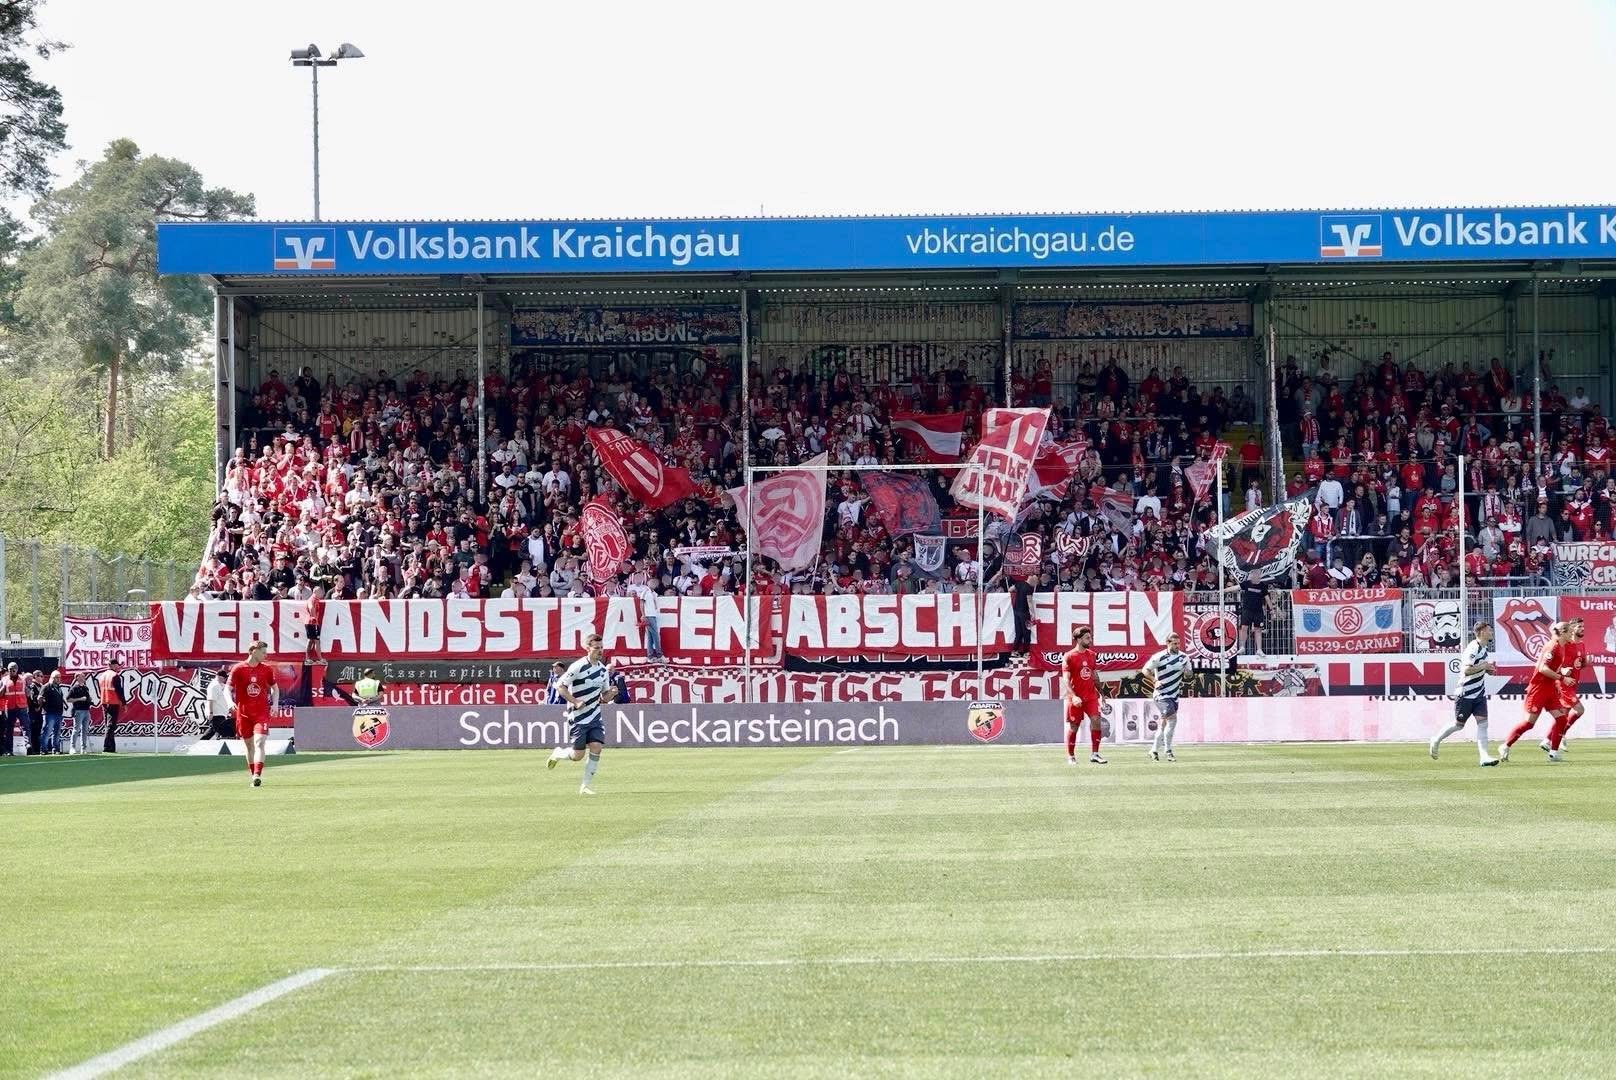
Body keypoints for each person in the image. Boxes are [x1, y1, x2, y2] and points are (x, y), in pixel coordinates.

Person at [546, 633, 610, 794]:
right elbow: (560, 686)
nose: (600, 651)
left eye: (602, 647)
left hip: (595, 716)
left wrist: (611, 694)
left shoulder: (603, 671)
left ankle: (585, 786)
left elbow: (604, 697)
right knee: (577, 756)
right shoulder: (578, 666)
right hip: (577, 717)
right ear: (588, 648)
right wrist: (575, 702)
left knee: (597, 747)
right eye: (596, 648)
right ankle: (558, 753)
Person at [1428, 622, 1500, 766]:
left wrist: (1488, 670)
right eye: (1489, 630)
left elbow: (1478, 668)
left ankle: (1484, 757)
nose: (1491, 632)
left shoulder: (1484, 649)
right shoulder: (1473, 648)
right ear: (1482, 632)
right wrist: (1483, 666)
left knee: (1483, 724)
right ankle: (1436, 739)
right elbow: (1466, 670)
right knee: (1458, 725)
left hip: (1479, 693)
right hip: (1466, 693)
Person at [1498, 622, 1571, 762]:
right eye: (1570, 632)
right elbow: (1542, 668)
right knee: (1529, 723)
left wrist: (1562, 671)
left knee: (1562, 719)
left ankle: (1554, 753)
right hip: (1539, 688)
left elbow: (1542, 665)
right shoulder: (1552, 646)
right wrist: (1562, 678)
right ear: (1562, 632)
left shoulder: (1560, 646)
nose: (1571, 634)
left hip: (1550, 688)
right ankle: (1505, 746)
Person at [228, 640, 278, 787]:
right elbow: (227, 689)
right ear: (253, 651)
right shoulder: (238, 669)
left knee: (260, 742)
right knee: (249, 746)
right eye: (263, 652)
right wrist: (229, 702)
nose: (265, 655)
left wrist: (275, 704)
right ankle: (253, 775)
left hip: (261, 713)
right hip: (243, 714)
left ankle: (257, 774)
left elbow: (275, 688)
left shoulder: (267, 669)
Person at [1062, 626, 1106, 766]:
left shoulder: (1092, 655)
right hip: (1076, 698)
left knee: (1096, 720)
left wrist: (1102, 693)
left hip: (1091, 696)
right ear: (1079, 639)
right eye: (1087, 638)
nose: (1090, 640)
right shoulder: (1069, 656)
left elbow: (1094, 675)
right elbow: (1066, 679)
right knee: (1074, 726)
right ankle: (1071, 756)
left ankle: (1095, 754)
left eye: (1090, 637)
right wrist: (1074, 696)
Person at [1542, 616, 1585, 756]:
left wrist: (1584, 663)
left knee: (1563, 716)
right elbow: (1555, 663)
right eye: (1579, 626)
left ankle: (1548, 740)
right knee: (1580, 710)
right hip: (1563, 685)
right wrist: (1562, 671)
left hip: (1573, 684)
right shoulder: (1565, 645)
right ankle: (1559, 737)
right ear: (1571, 629)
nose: (1582, 629)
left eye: (1583, 626)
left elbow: (1580, 663)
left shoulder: (1582, 645)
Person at [1143, 632, 1188, 762]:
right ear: (1167, 643)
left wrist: (1189, 673)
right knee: (1172, 719)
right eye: (1174, 644)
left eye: (1178, 643)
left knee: (1163, 724)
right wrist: (1155, 681)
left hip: (1174, 695)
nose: (1177, 646)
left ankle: (1153, 751)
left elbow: (1189, 673)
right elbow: (1145, 670)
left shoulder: (1184, 657)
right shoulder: (1159, 657)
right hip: (1161, 694)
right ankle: (1168, 751)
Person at [97, 664, 123, 753]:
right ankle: (107, 746)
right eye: (118, 666)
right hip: (113, 701)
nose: (119, 668)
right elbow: (119, 690)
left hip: (104, 701)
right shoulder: (115, 675)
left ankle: (111, 747)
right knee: (111, 725)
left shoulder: (102, 676)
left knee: (108, 725)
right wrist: (123, 702)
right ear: (114, 666)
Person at [204, 666, 234, 740]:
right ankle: (201, 743)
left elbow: (227, 687)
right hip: (216, 714)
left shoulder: (219, 685)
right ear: (220, 677)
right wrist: (211, 712)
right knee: (213, 730)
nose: (225, 680)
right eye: (225, 678)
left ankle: (205, 743)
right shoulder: (214, 686)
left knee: (216, 731)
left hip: (220, 713)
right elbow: (210, 700)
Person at [39, 670, 64, 755]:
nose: (58, 679)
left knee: (57, 732)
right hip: (49, 713)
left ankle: (56, 749)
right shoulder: (46, 686)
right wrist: (43, 706)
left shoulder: (59, 687)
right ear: (52, 678)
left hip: (58, 713)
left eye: (59, 677)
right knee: (47, 731)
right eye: (56, 677)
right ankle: (43, 749)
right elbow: (40, 698)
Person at [66, 674, 92, 754]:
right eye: (82, 676)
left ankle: (83, 748)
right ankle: (72, 747)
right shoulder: (74, 688)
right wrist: (80, 699)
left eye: (84, 676)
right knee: (76, 729)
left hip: (86, 710)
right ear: (77, 678)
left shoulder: (85, 688)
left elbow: (87, 698)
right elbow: (68, 699)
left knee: (85, 730)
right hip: (78, 710)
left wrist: (89, 700)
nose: (84, 678)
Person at [302, 585, 326, 666]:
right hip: (312, 622)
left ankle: (307, 659)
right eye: (320, 592)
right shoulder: (312, 599)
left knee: (311, 640)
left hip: (310, 622)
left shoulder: (315, 599)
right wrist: (315, 618)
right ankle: (320, 659)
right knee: (316, 641)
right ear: (315, 592)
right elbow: (311, 608)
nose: (322, 593)